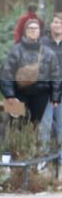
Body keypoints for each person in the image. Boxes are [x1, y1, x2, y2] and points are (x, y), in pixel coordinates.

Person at [0, 18, 60, 127]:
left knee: (36, 126)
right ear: (25, 30)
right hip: (17, 95)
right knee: (15, 126)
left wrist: (55, 96)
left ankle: (31, 144)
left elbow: (56, 75)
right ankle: (15, 145)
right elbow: (5, 74)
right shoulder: (15, 50)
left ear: (39, 31)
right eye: (30, 28)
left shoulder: (48, 53)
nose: (33, 30)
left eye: (35, 28)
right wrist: (9, 95)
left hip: (41, 95)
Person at [40, 12, 62, 154]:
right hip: (46, 91)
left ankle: (61, 160)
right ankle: (43, 159)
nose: (58, 25)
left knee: (61, 127)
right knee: (45, 125)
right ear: (50, 25)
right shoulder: (42, 43)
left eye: (60, 23)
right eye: (55, 22)